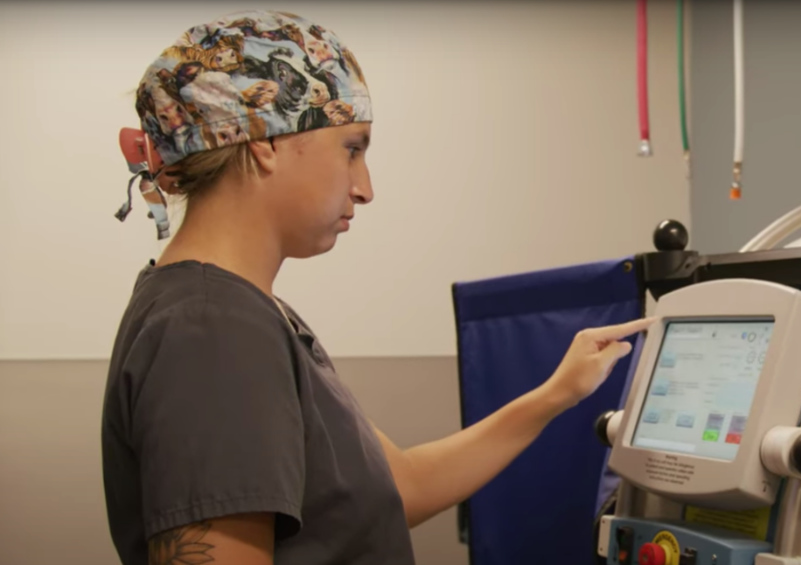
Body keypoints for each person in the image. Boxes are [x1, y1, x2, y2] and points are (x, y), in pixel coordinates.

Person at [100, 10, 652, 565]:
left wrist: (558, 393)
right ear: (264, 141)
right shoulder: (211, 327)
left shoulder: (242, 311)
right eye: (352, 148)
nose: (365, 188)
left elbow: (400, 487)